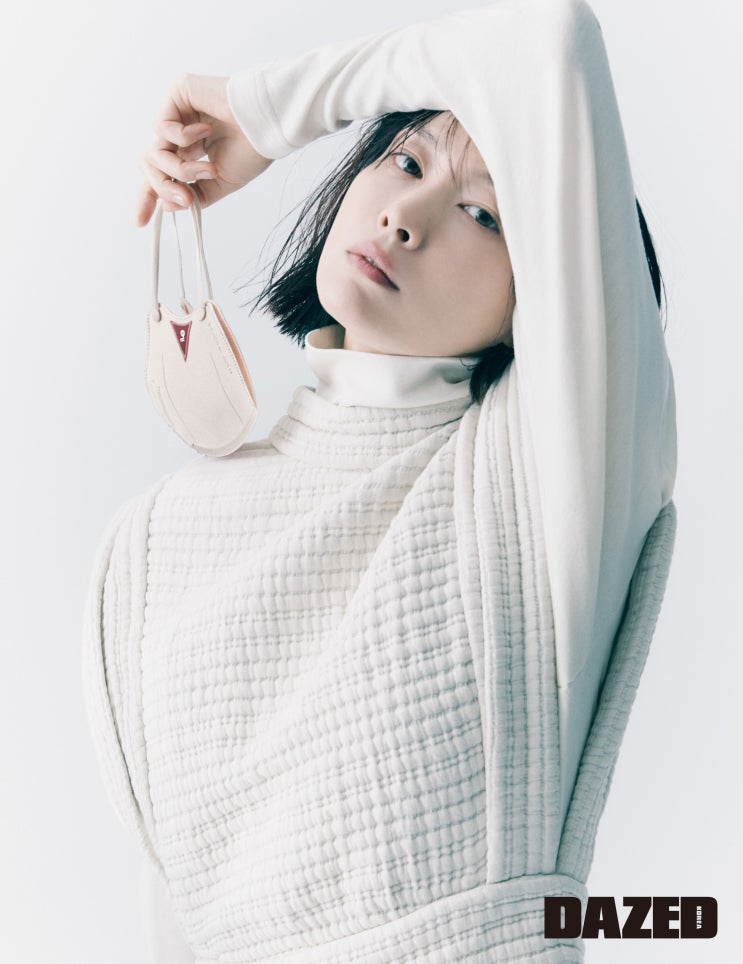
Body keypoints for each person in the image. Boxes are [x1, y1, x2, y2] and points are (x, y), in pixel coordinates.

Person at [82, 1, 677, 961]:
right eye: (403, 161)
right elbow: (173, 923)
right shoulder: (152, 541)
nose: (405, 217)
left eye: (483, 214)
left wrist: (266, 109)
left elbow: (549, 39)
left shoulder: (548, 473)